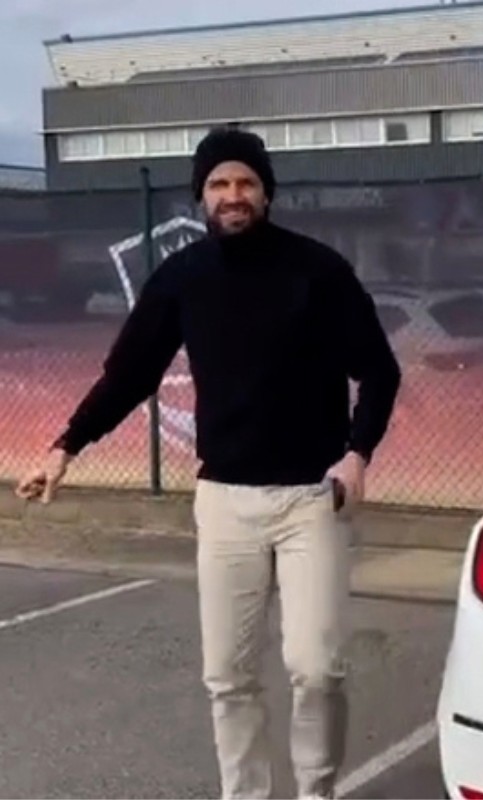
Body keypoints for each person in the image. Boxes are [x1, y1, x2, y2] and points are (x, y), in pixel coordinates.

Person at [14, 126, 402, 800]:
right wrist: (66, 446)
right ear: (201, 197)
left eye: (246, 183)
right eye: (219, 185)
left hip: (312, 499)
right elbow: (128, 374)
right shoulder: (183, 279)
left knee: (316, 668)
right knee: (227, 677)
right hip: (225, 503)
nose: (233, 196)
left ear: (267, 193)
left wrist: (356, 455)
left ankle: (316, 790)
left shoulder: (319, 271)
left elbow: (380, 371)